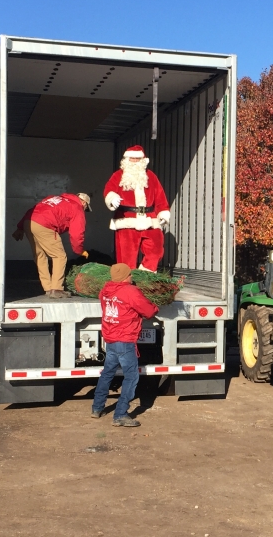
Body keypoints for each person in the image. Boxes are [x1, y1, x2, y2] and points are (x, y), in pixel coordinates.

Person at [91, 262, 159, 427]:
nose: (131, 277)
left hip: (111, 338)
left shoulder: (105, 291)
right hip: (125, 340)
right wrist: (155, 307)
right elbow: (149, 311)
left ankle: (97, 408)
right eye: (130, 274)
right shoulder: (130, 292)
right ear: (125, 277)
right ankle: (120, 414)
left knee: (107, 373)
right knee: (132, 377)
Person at [103, 145, 170, 272]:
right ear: (126, 160)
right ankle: (125, 284)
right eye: (131, 158)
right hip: (127, 219)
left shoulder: (151, 176)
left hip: (150, 220)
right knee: (126, 258)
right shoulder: (118, 175)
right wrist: (112, 198)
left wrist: (163, 213)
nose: (134, 161)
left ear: (143, 160)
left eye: (137, 159)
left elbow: (160, 196)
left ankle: (144, 277)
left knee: (156, 251)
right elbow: (109, 190)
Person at [12, 192, 91, 298]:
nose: (84, 210)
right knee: (59, 256)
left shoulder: (53, 198)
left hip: (29, 222)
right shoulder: (77, 207)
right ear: (84, 202)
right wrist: (79, 250)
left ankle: (48, 288)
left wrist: (20, 227)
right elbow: (77, 233)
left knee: (40, 256)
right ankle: (57, 289)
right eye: (86, 208)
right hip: (45, 225)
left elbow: (34, 209)